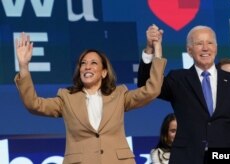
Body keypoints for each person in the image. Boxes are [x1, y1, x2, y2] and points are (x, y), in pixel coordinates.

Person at [14, 32, 166, 164]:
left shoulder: (119, 95)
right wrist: (23, 66)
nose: (87, 67)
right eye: (83, 63)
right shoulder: (66, 98)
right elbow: (33, 104)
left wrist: (157, 50)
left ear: (104, 72)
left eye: (94, 63)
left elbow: (151, 90)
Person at [138, 25, 230, 164]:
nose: (205, 48)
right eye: (199, 43)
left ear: (216, 47)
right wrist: (150, 49)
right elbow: (146, 86)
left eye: (209, 43)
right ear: (189, 50)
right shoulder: (178, 79)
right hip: (188, 158)